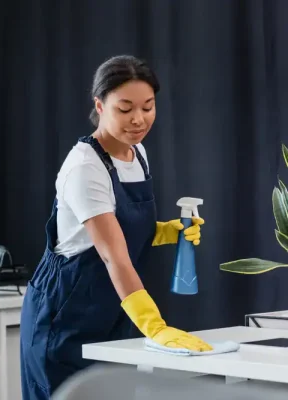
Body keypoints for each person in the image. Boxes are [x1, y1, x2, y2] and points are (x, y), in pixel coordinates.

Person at [19, 55, 212, 399]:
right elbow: (113, 257)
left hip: (114, 310)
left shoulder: (136, 152)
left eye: (148, 106)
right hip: (66, 315)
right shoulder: (85, 168)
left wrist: (166, 231)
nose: (139, 119)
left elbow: (125, 228)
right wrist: (155, 326)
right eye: (125, 109)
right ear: (100, 104)